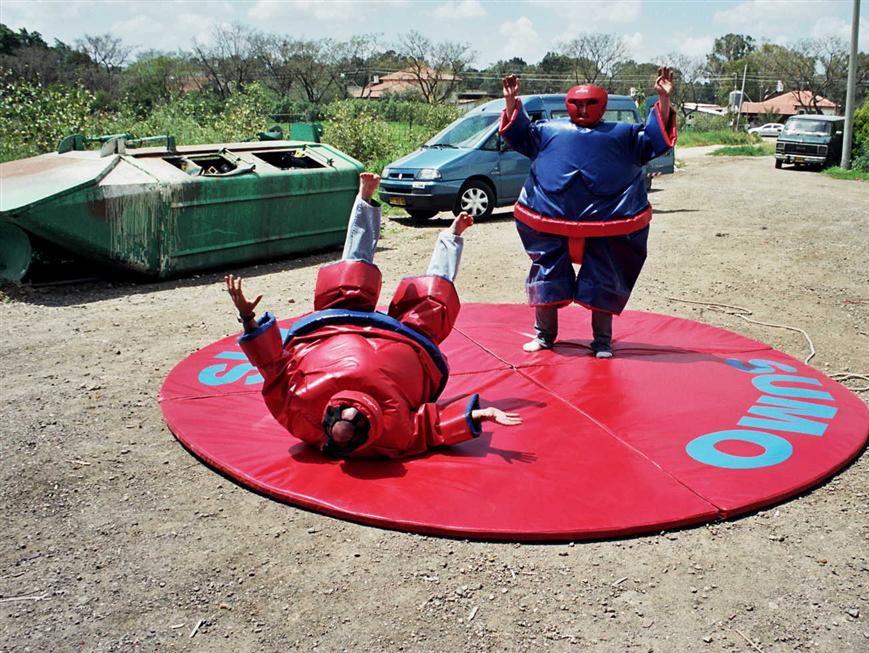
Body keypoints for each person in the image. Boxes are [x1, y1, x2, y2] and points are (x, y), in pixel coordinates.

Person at [225, 172, 521, 459]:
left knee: (349, 277)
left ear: (329, 419)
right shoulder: (392, 434)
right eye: (355, 420)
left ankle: (365, 203)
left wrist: (247, 318)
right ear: (366, 428)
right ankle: (452, 238)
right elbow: (431, 428)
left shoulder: (302, 415)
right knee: (434, 299)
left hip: (331, 329)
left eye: (341, 414)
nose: (349, 413)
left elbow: (272, 368)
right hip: (410, 343)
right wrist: (478, 414)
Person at [499, 67, 677, 358]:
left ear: (603, 106)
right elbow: (519, 136)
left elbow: (655, 141)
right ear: (566, 105)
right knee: (547, 275)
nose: (582, 109)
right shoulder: (546, 131)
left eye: (589, 103)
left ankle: (602, 342)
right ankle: (544, 336)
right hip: (549, 216)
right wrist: (510, 102)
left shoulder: (625, 134)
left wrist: (663, 99)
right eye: (576, 103)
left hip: (609, 220)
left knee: (603, 280)